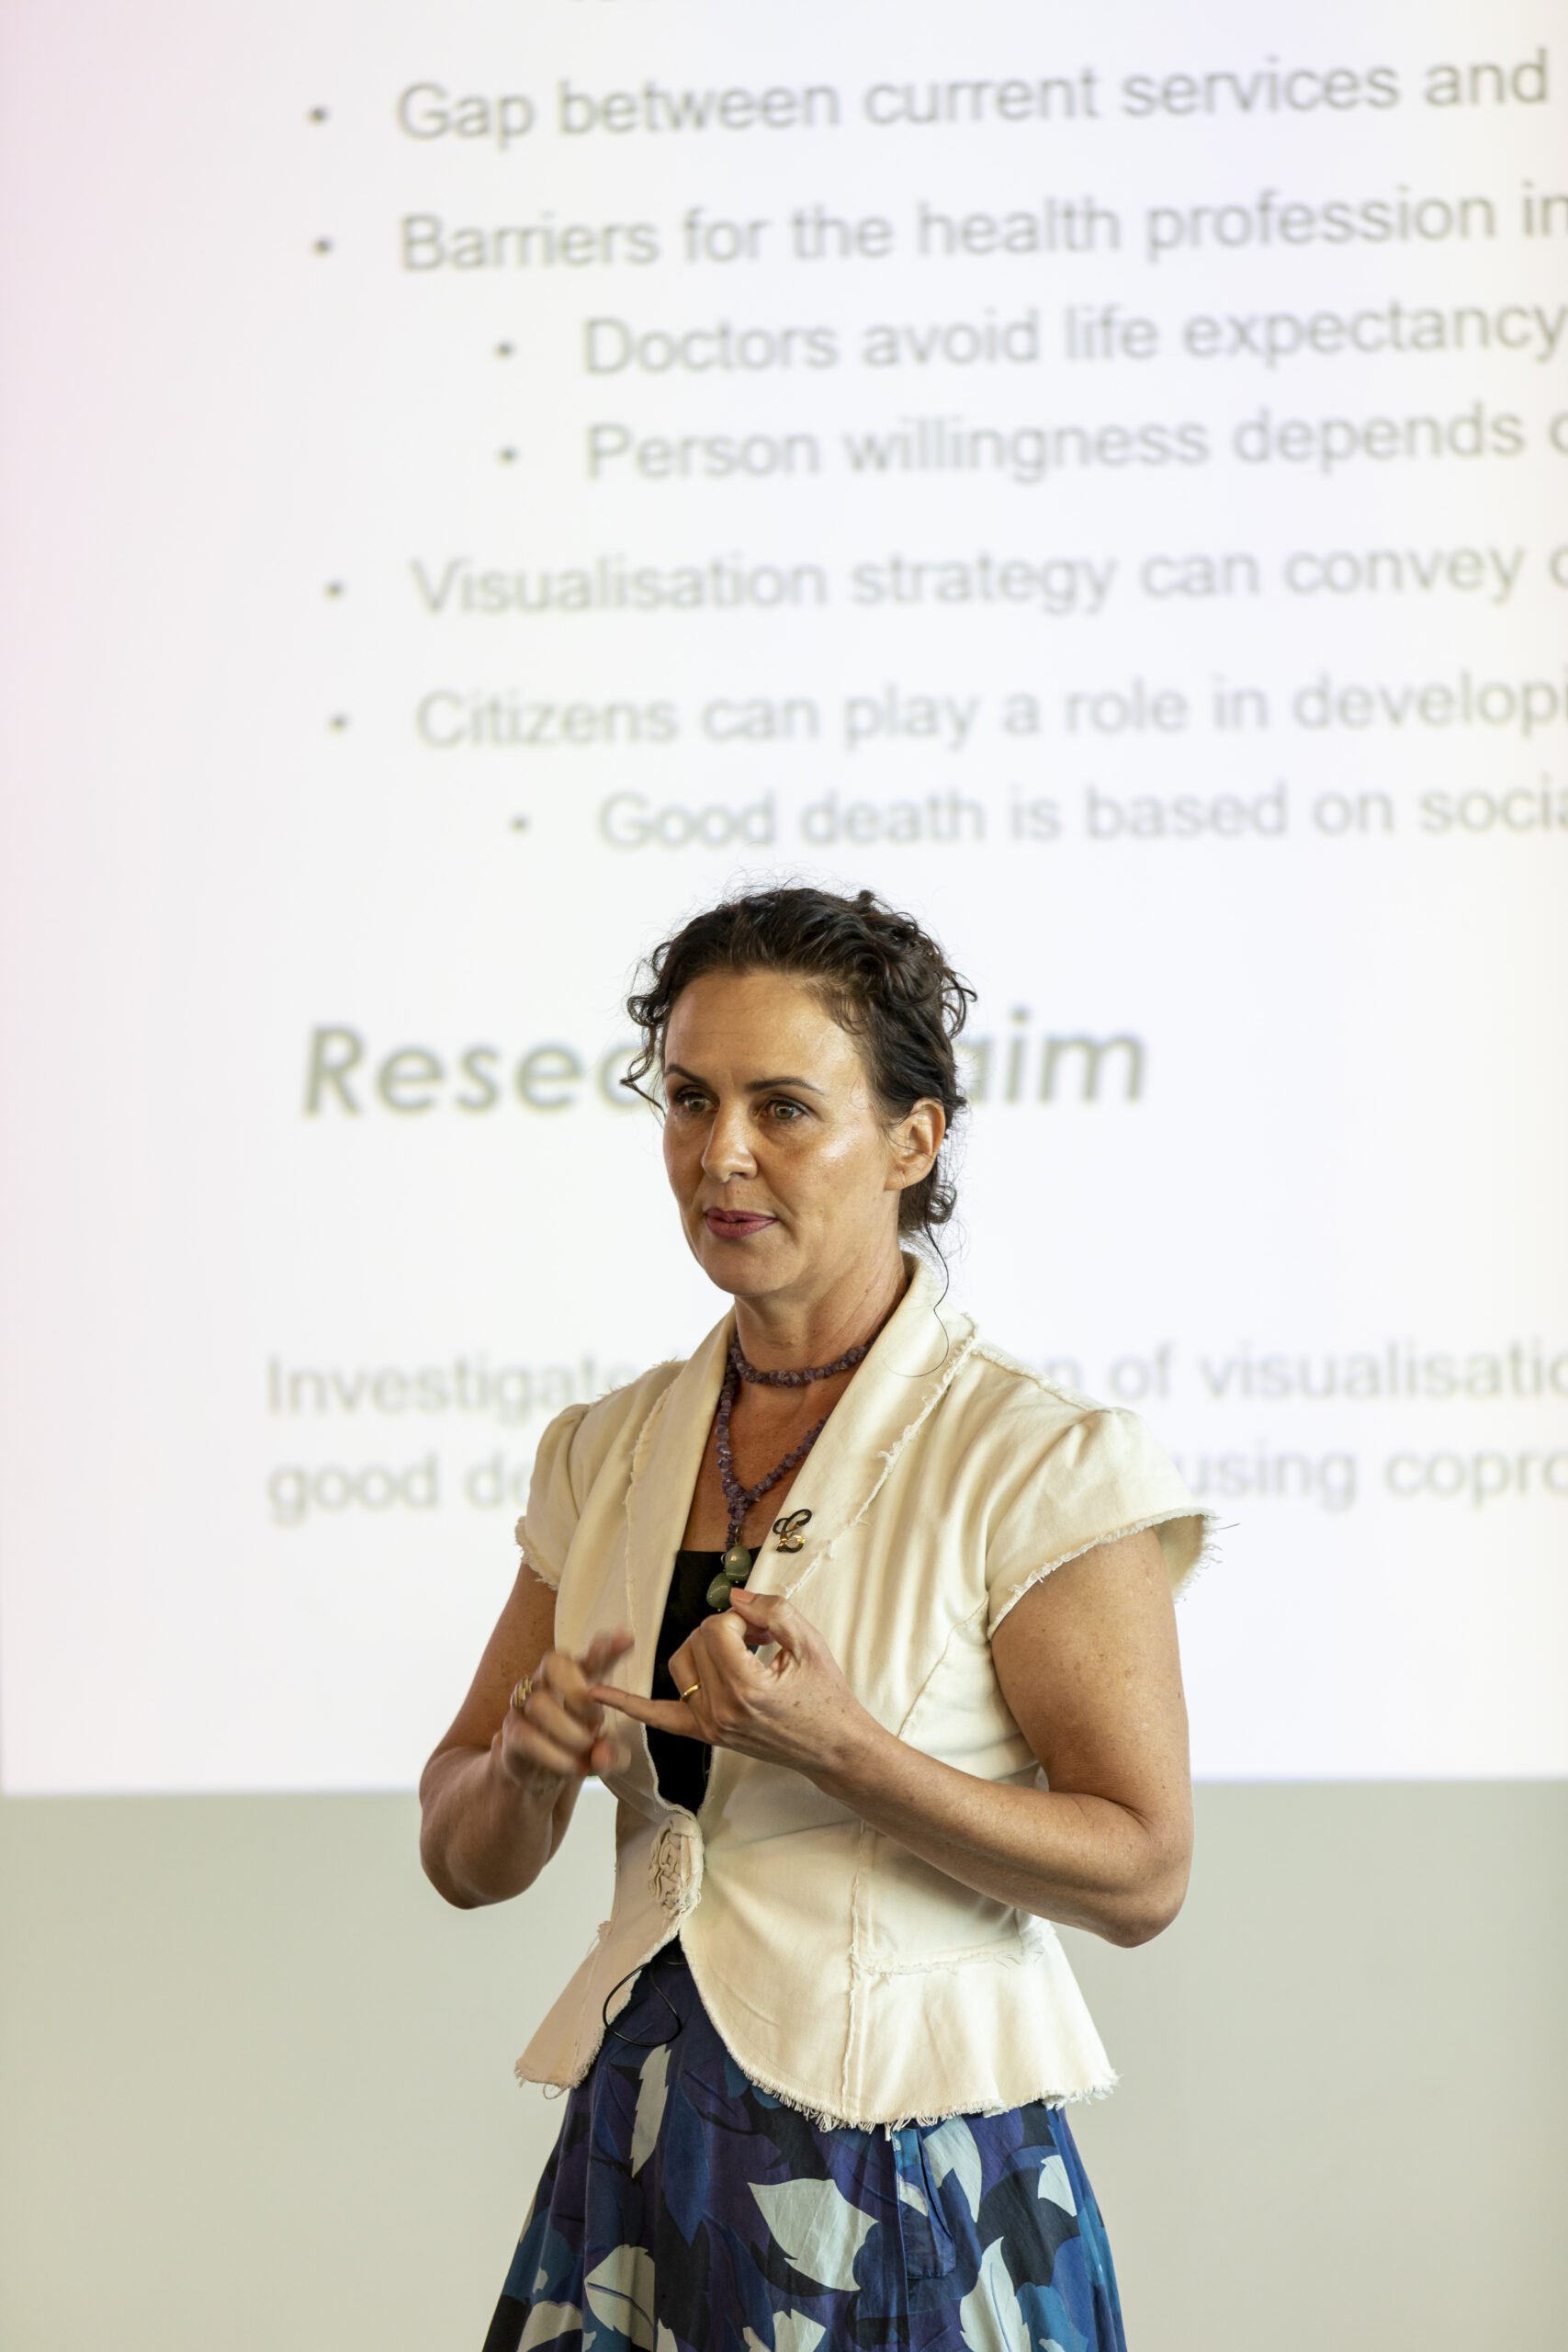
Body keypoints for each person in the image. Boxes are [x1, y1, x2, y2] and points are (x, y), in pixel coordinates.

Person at [420, 885, 1213, 2352]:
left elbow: (1144, 1875)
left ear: (915, 1140)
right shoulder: (600, 1452)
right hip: (644, 2150)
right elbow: (462, 1855)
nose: (721, 1152)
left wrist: (847, 1750)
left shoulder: (1039, 1459)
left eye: (783, 1107)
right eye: (690, 1100)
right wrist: (522, 1775)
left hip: (913, 2178)